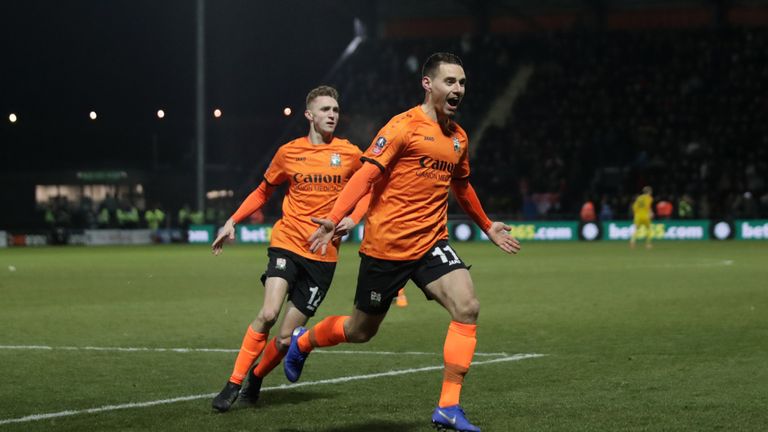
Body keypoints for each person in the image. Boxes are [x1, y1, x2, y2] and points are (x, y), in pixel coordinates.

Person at [285, 53, 521, 432]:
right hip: (387, 246)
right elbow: (365, 175)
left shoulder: (458, 137)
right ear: (428, 84)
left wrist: (487, 225)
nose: (458, 89)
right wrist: (334, 217)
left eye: (462, 82)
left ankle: (448, 407)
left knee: (468, 306)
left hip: (431, 242)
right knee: (361, 331)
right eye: (450, 82)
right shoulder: (402, 127)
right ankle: (303, 341)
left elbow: (461, 186)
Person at [210, 85, 370, 412]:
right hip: (287, 242)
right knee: (268, 313)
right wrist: (232, 220)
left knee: (285, 339)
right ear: (309, 115)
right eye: (325, 110)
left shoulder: (351, 153)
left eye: (335, 111)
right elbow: (263, 191)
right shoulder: (288, 153)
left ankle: (256, 375)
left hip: (324, 256)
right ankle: (234, 382)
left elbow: (369, 188)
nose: (332, 116)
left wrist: (354, 218)